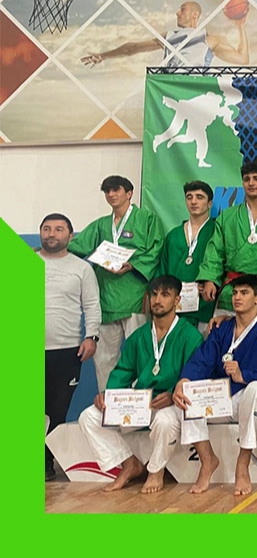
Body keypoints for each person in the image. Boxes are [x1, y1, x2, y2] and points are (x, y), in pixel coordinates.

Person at [78, 276, 203, 493]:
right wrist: (108, 394)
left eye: (165, 295)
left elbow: (195, 376)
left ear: (177, 300)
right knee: (89, 417)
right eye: (154, 294)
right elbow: (123, 371)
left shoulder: (190, 335)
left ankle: (156, 471)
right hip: (141, 404)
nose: (158, 300)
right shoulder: (139, 336)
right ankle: (129, 464)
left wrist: (172, 393)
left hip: (172, 404)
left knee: (165, 421)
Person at [174, 275, 257, 496]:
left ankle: (243, 462)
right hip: (220, 397)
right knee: (186, 396)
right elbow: (202, 359)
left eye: (244, 293)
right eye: (235, 293)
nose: (237, 297)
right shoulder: (222, 329)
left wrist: (244, 375)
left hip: (245, 399)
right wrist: (185, 379)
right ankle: (207, 461)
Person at [69, 175, 164, 391]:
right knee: (104, 358)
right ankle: (108, 400)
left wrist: (132, 265)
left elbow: (156, 249)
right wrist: (45, 250)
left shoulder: (147, 219)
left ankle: (139, 401)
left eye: (116, 190)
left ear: (129, 193)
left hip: (135, 297)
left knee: (140, 353)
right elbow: (78, 245)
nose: (111, 194)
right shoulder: (101, 225)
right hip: (106, 297)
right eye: (107, 191)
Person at [41, 213, 101, 482]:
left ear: (70, 235)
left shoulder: (82, 268)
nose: (51, 234)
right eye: (46, 229)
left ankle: (46, 462)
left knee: (56, 410)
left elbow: (92, 305)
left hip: (67, 351)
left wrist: (92, 337)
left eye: (58, 229)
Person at [197, 161, 257, 316]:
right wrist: (210, 278)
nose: (251, 183)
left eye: (256, 178)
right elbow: (215, 251)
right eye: (246, 179)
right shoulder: (227, 216)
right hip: (233, 290)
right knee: (226, 330)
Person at [81, 2, 249, 68]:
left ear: (195, 14)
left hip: (194, 97)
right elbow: (133, 48)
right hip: (170, 95)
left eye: (182, 9)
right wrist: (103, 55)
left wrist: (240, 25)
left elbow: (243, 59)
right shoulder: (170, 36)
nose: (177, 13)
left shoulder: (209, 39)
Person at [158, 181, 216, 333]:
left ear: (209, 203)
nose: (193, 201)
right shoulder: (173, 235)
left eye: (199, 197)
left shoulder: (217, 231)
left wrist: (211, 281)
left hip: (206, 308)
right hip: (176, 307)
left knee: (203, 347)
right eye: (189, 197)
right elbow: (163, 270)